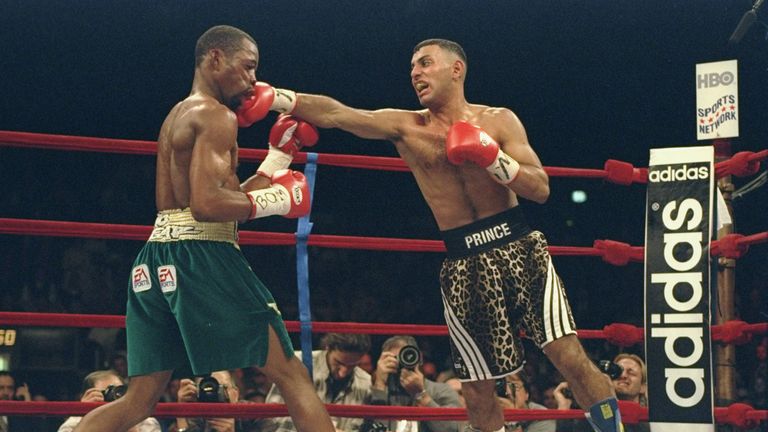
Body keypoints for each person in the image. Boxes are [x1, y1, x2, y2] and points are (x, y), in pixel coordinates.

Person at [235, 38, 623, 432]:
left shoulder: (498, 120)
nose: (415, 73)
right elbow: (339, 113)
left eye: (424, 63)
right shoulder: (407, 125)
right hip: (464, 264)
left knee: (570, 356)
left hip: (519, 248)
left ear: (457, 70)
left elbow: (540, 188)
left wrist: (494, 158)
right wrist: (281, 99)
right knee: (477, 389)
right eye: (412, 69)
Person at [72, 25, 335, 432]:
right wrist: (280, 200)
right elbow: (208, 205)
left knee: (139, 400)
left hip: (157, 256)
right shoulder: (216, 115)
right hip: (201, 258)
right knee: (292, 374)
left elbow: (211, 199)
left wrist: (276, 161)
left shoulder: (179, 113)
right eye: (247, 67)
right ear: (215, 58)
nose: (252, 81)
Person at [263, 333, 373, 432]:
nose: (343, 373)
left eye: (352, 366)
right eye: (338, 363)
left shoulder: (365, 382)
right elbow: (274, 420)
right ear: (327, 348)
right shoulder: (296, 364)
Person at [369, 335, 462, 432]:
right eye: (395, 358)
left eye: (407, 355)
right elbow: (372, 428)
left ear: (419, 358)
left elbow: (452, 429)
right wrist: (379, 385)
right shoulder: (374, 392)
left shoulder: (442, 390)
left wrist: (422, 395)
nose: (402, 361)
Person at [59, 369, 161, 432]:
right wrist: (85, 415)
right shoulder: (74, 422)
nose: (113, 399)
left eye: (118, 392)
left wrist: (129, 425)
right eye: (106, 393)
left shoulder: (145, 420)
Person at [175, 370, 259, 432]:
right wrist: (181, 412)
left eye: (222, 388)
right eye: (208, 388)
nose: (214, 394)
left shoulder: (253, 413)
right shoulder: (196, 418)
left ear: (235, 393)